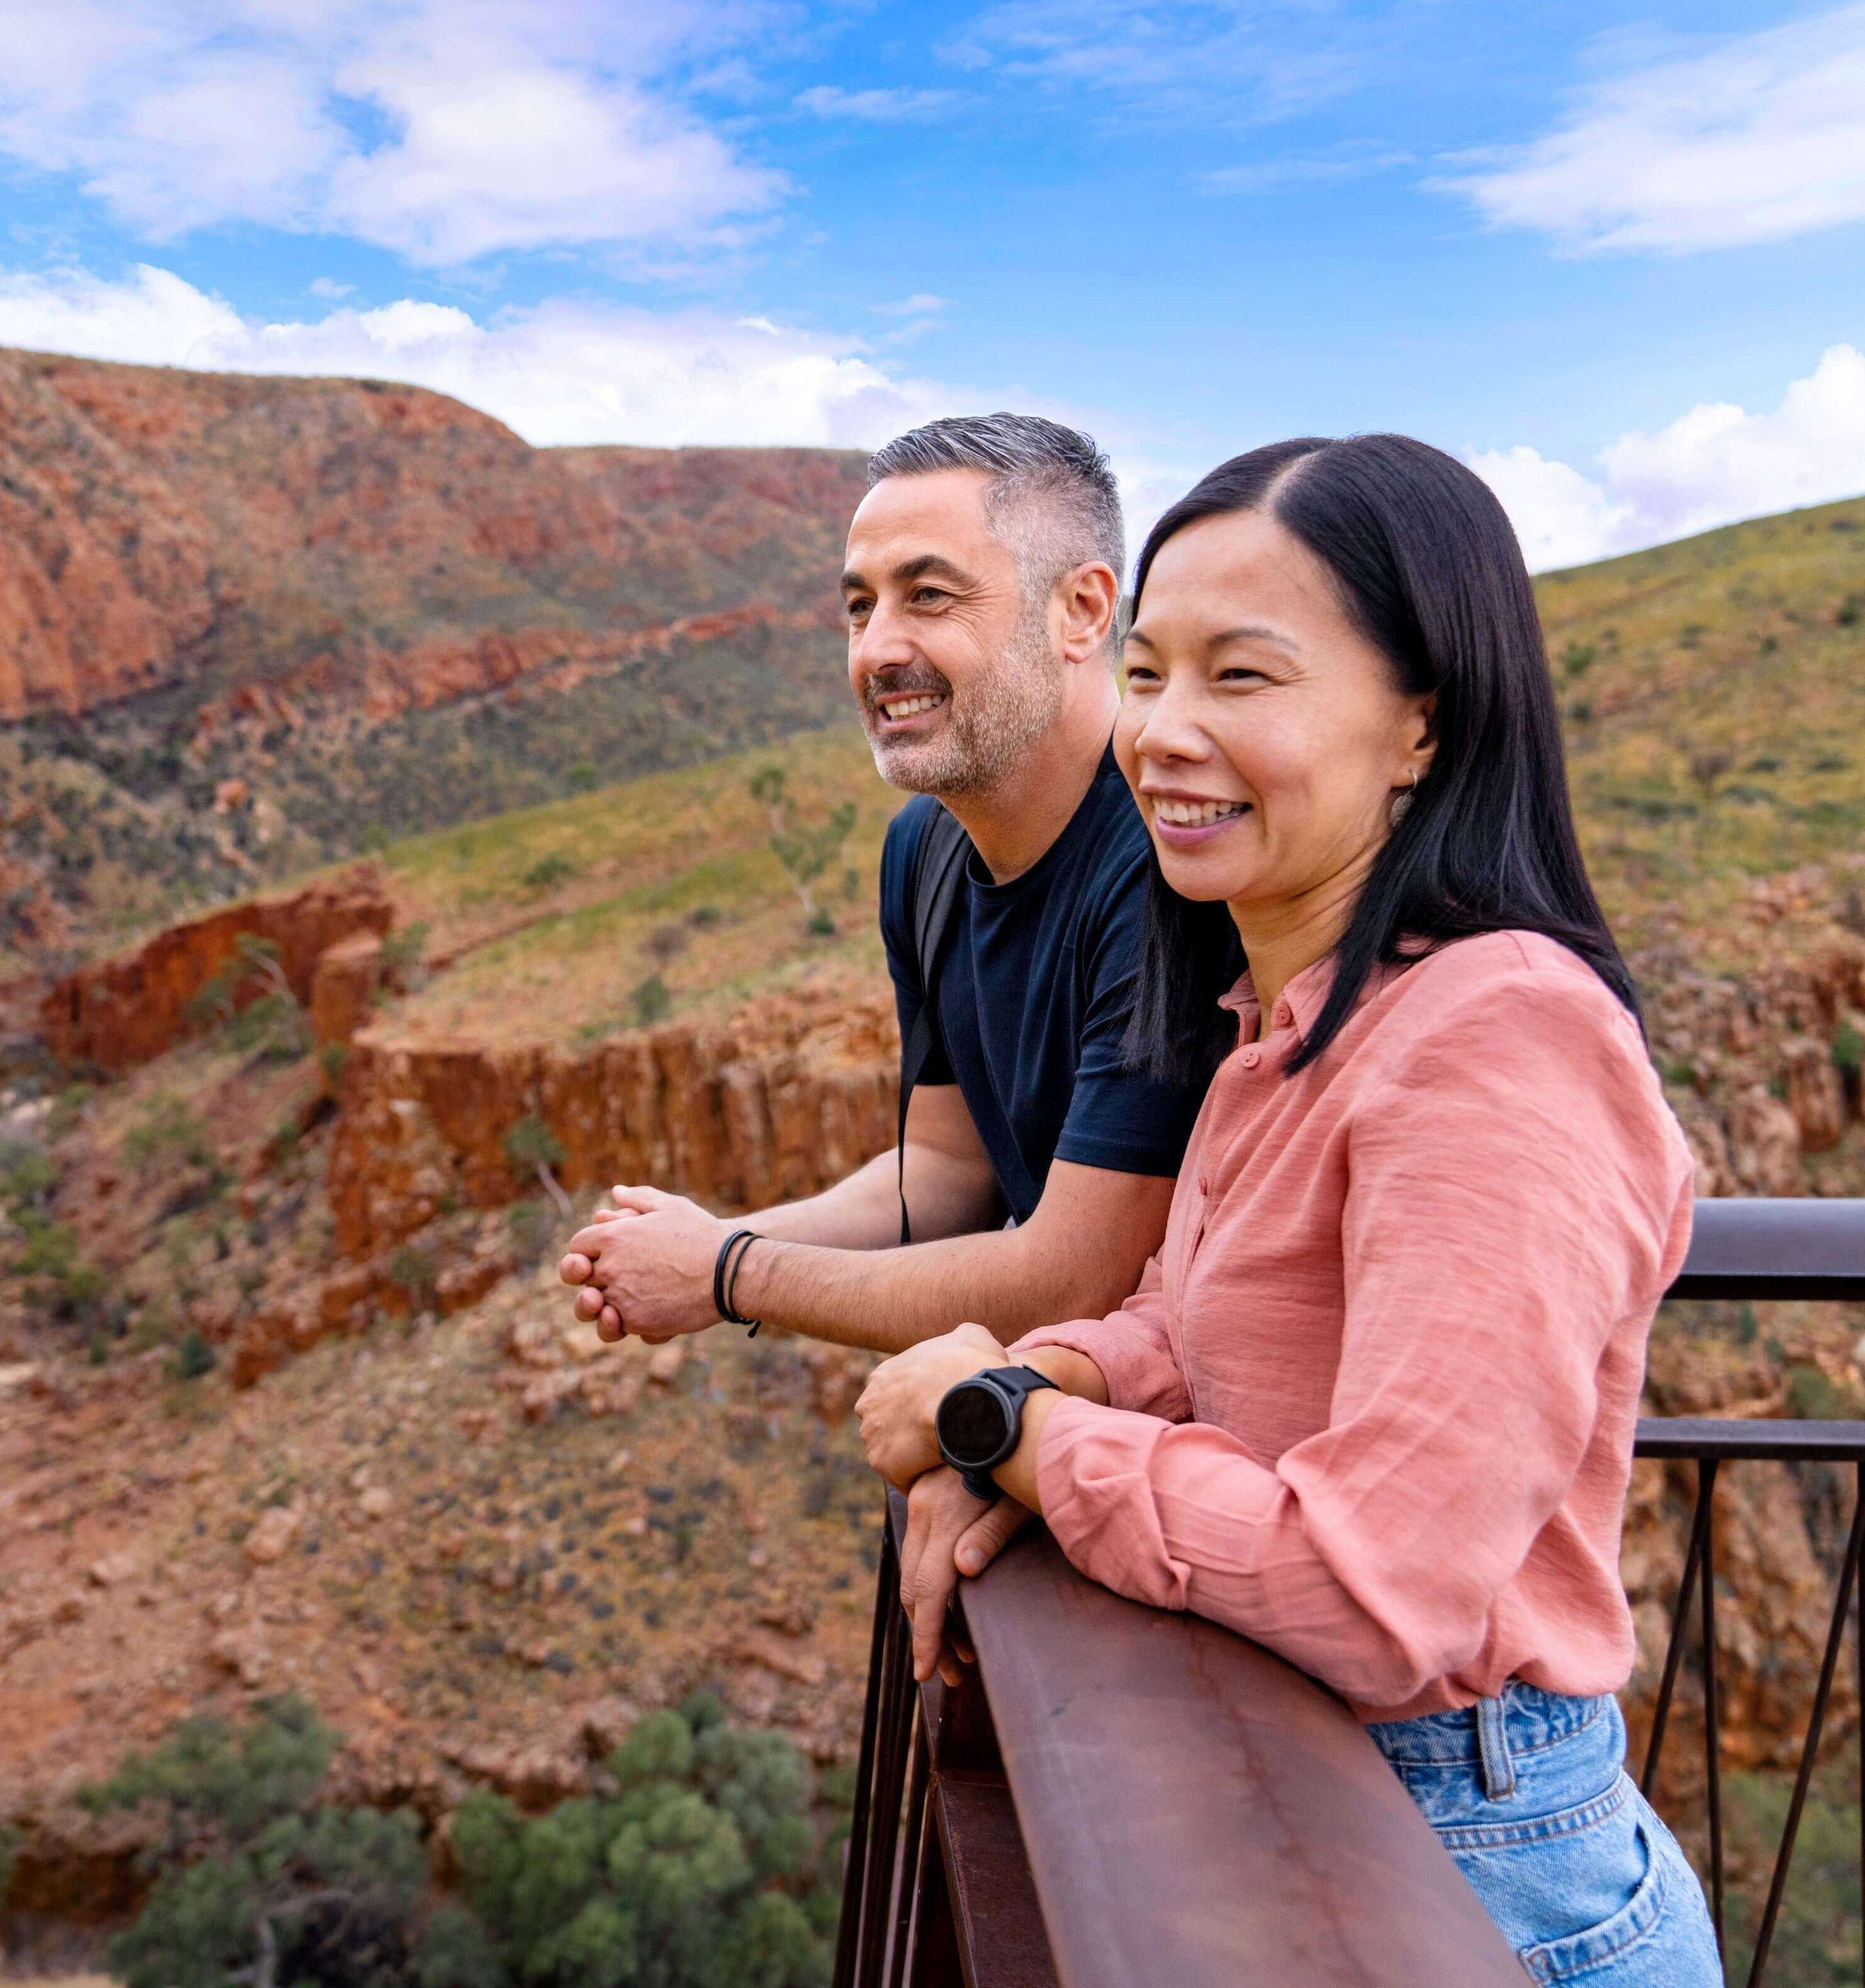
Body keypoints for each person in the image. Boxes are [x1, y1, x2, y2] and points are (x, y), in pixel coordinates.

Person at [856, 433, 1720, 1985]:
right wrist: (1043, 1378)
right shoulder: (1298, 1021)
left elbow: (1375, 1587)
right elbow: (1180, 1326)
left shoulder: (1497, 1041)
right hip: (1341, 1814)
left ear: (1421, 725)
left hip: (1485, 1884)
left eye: (1243, 679)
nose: (1164, 735)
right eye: (1146, 673)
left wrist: (1014, 1438)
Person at [557, 415, 1222, 1378]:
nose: (878, 649)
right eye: (860, 607)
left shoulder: (1171, 862)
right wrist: (708, 1241)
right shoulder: (925, 851)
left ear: (1082, 612)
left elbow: (1076, 1276)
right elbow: (947, 1175)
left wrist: (728, 1272)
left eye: (930, 596)